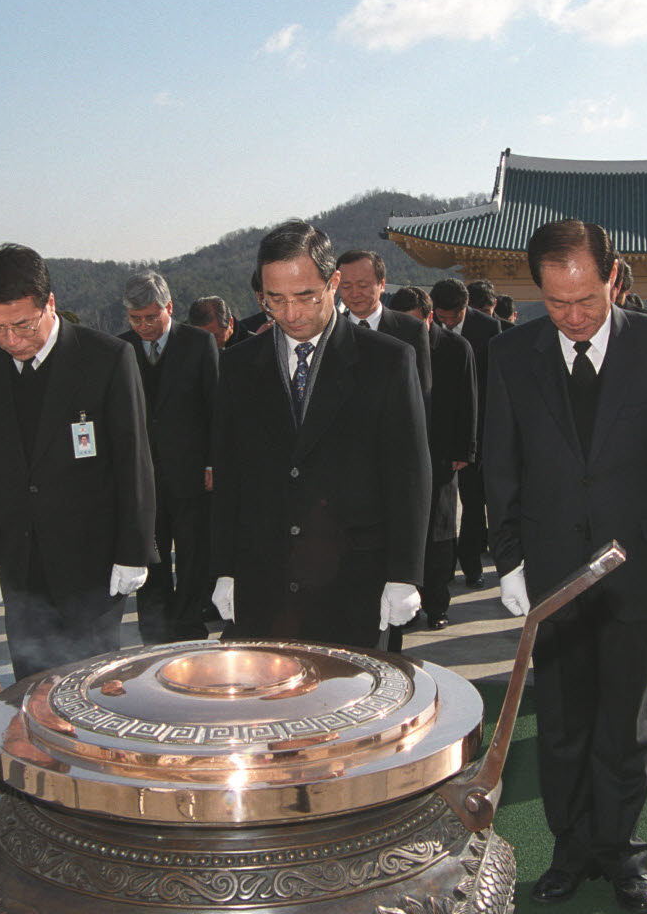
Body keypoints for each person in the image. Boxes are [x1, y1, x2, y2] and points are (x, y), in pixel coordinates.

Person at [486, 219, 647, 911]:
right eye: (556, 303)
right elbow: (501, 465)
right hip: (552, 570)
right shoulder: (511, 354)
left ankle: (621, 852)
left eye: (586, 299)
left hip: (635, 565)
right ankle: (570, 846)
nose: (574, 317)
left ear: (613, 277)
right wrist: (509, 560)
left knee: (623, 721)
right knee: (560, 721)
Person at [209, 220, 430, 648]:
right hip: (264, 580)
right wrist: (224, 567)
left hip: (354, 581)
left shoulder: (386, 362)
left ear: (333, 283)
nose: (290, 314)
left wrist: (404, 574)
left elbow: (409, 475)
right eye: (275, 300)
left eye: (304, 297)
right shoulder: (238, 366)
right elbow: (229, 475)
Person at [0, 244, 156, 682]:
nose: (11, 340)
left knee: (93, 681)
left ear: (50, 303)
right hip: (19, 557)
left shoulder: (104, 359)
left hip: (93, 560)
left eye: (22, 325)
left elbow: (133, 460)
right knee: (31, 678)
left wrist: (133, 550)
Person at [119, 271, 219, 643]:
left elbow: (215, 407)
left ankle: (189, 628)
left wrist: (213, 462)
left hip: (192, 475)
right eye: (135, 319)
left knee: (194, 558)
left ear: (169, 308)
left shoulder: (197, 343)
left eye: (150, 317)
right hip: (143, 480)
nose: (143, 326)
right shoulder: (121, 348)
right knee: (151, 559)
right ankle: (155, 634)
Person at [388, 285, 477, 633]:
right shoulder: (389, 348)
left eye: (414, 323)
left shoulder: (456, 348)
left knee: (439, 532)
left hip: (441, 452)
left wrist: (463, 450)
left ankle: (437, 603)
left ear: (429, 317)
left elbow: (469, 401)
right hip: (397, 453)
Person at [432, 277, 502, 590]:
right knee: (441, 509)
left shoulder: (488, 329)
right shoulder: (424, 327)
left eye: (454, 317)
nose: (447, 323)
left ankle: (472, 565)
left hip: (478, 430)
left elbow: (492, 385)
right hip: (439, 429)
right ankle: (442, 570)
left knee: (473, 506)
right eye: (441, 317)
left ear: (466, 308)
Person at [335, 249, 433, 408]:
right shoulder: (331, 329)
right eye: (346, 286)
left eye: (362, 285)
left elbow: (421, 394)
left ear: (382, 284)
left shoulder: (411, 330)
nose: (354, 293)